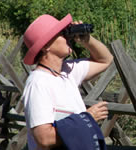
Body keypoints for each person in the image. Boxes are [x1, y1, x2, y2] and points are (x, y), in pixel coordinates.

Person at [22, 13, 113, 150]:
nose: (68, 36)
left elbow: (105, 60)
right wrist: (87, 119)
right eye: (62, 34)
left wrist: (87, 40)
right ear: (46, 45)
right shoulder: (38, 83)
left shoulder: (68, 71)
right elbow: (44, 139)